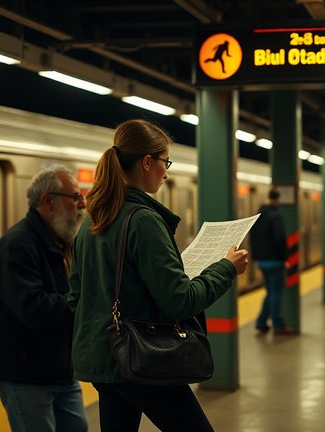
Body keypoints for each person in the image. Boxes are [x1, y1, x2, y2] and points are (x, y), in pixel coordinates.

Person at [68, 120, 249, 432]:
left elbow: (76, 296)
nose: (166, 171)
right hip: (141, 355)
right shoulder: (144, 221)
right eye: (165, 161)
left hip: (105, 358)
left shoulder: (93, 218)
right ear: (147, 162)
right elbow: (180, 301)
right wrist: (226, 268)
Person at [0, 165, 88, 432]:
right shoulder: (18, 246)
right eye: (74, 198)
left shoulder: (61, 242)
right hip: (23, 370)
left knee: (77, 427)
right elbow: (34, 308)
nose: (81, 205)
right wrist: (85, 303)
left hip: (59, 366)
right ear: (48, 201)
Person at [249, 189, 296, 335]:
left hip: (262, 261)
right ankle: (278, 325)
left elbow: (252, 238)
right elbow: (280, 238)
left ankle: (262, 322)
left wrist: (256, 256)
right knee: (276, 293)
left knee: (270, 292)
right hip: (275, 261)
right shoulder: (275, 216)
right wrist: (285, 257)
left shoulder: (258, 216)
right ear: (277, 199)